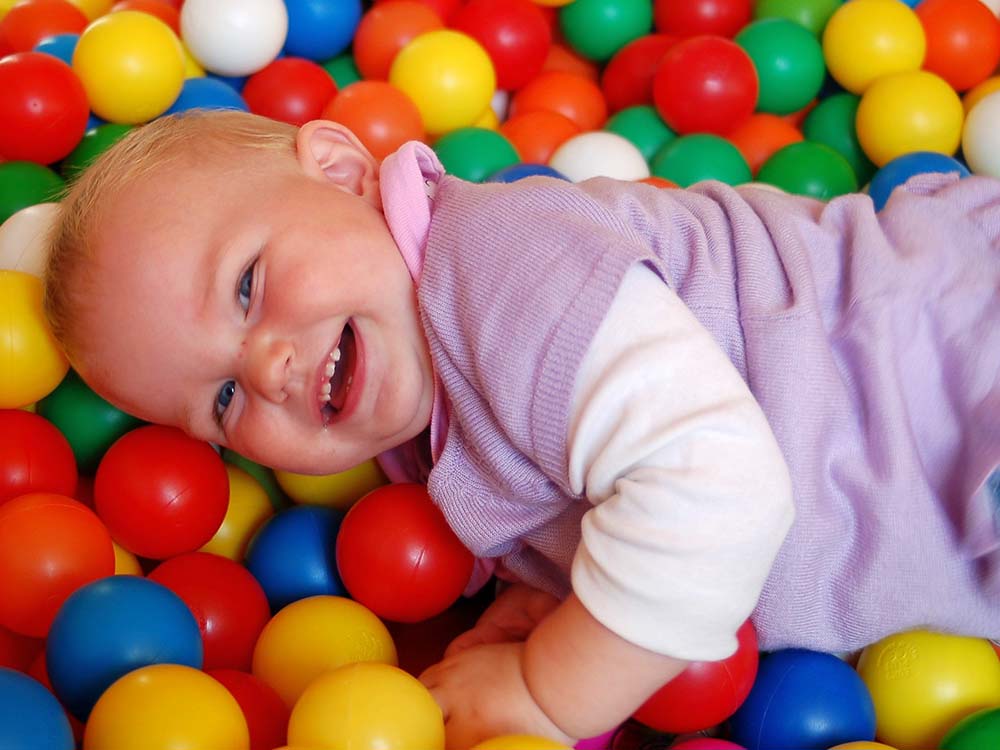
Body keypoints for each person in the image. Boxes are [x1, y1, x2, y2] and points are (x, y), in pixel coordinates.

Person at [43, 110, 999, 747]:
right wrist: (560, 593)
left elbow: (717, 482)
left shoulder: (497, 264)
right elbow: (577, 471)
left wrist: (552, 685)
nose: (267, 367)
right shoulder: (416, 424)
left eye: (248, 286)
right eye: (222, 403)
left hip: (949, 362)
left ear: (341, 172)